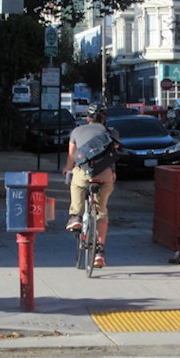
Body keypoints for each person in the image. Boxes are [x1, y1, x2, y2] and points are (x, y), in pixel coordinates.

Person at [62, 104, 119, 268]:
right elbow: (112, 156)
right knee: (101, 210)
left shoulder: (77, 131)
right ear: (103, 119)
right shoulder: (111, 133)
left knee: (77, 185)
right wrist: (113, 172)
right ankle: (99, 251)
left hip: (84, 173)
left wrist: (67, 168)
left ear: (88, 118)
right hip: (105, 174)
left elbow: (72, 156)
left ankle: (76, 216)